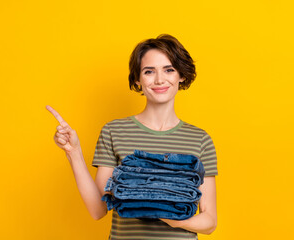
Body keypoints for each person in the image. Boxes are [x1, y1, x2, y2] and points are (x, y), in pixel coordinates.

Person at [46, 34, 218, 240]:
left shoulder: (200, 139)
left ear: (181, 75)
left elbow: (209, 221)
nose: (159, 79)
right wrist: (73, 153)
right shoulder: (115, 131)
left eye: (169, 69)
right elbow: (98, 210)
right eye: (149, 71)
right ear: (137, 79)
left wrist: (160, 211)